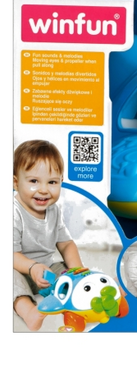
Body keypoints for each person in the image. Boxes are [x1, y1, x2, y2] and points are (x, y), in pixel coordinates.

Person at [13, 140, 84, 331]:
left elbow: (66, 244)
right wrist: (32, 268)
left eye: (52, 182)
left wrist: (77, 271)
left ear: (61, 181)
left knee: (67, 270)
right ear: (15, 182)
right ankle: (28, 311)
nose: (44, 189)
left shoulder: (54, 210)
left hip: (45, 272)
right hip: (19, 270)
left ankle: (82, 292)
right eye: (33, 181)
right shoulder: (12, 212)